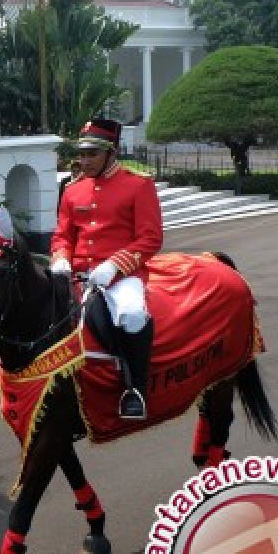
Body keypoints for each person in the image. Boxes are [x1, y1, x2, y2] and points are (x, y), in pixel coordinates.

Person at [51, 118, 162, 419]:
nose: (84, 161)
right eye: (81, 155)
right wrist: (61, 257)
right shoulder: (73, 190)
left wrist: (115, 265)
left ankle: (134, 389)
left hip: (120, 276)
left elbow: (150, 239)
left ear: (111, 153)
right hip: (76, 275)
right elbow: (63, 234)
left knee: (132, 314)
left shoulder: (138, 185)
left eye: (92, 155)